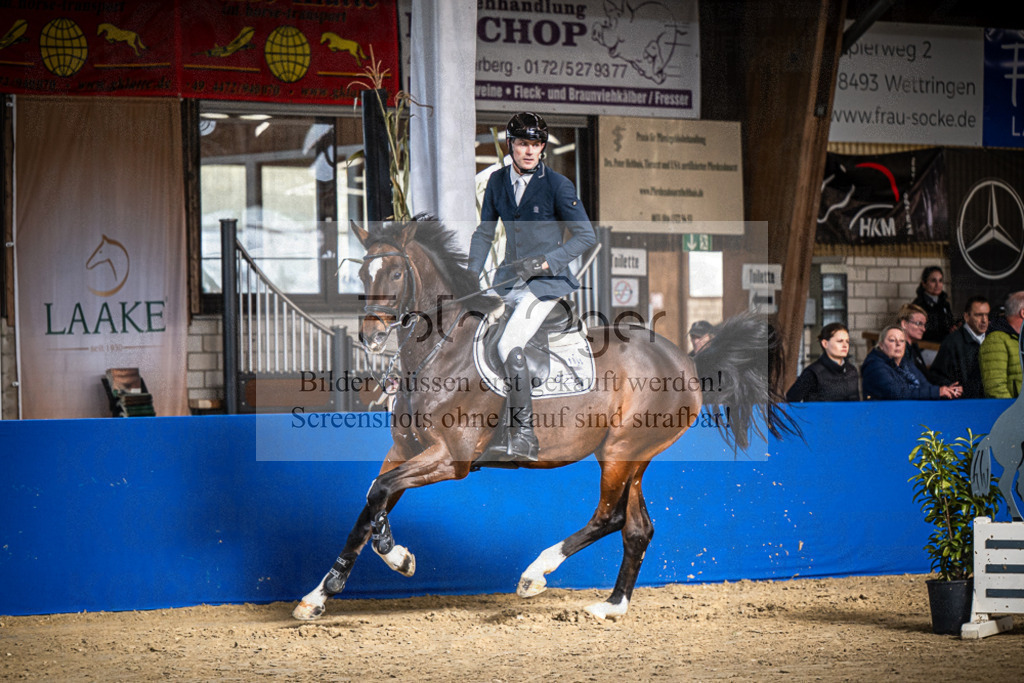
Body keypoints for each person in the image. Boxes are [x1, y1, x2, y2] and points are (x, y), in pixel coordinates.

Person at [467, 112, 596, 463]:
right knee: (474, 335)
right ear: (512, 145)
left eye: (536, 145)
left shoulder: (557, 185)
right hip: (508, 280)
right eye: (523, 143)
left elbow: (586, 236)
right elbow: (484, 233)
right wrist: (469, 275)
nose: (529, 151)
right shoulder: (496, 182)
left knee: (510, 342)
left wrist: (545, 263)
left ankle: (523, 435)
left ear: (542, 148)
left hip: (546, 285)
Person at [861, 325, 962, 400]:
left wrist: (947, 390)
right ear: (881, 345)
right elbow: (897, 393)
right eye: (892, 340)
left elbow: (925, 385)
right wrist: (937, 392)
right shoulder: (874, 366)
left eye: (902, 341)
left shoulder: (905, 362)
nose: (898, 344)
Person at [930, 296, 990, 399]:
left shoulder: (993, 339)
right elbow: (936, 375)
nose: (984, 320)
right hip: (963, 404)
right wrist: (953, 388)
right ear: (966, 317)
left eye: (986, 315)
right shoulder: (952, 342)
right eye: (978, 315)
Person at [785, 322, 859, 402]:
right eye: (840, 341)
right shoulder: (812, 373)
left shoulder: (852, 371)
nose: (845, 345)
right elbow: (790, 402)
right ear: (825, 343)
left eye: (847, 341)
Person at [980, 290, 1024, 399]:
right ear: (1023, 313)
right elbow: (995, 388)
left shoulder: (1018, 338)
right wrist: (1015, 413)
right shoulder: (996, 340)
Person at [912, 266, 955, 343]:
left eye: (940, 281)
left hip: (944, 347)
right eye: (933, 281)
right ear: (924, 283)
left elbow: (950, 324)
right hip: (926, 348)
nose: (937, 285)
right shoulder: (918, 306)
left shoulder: (945, 304)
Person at [896, 303, 931, 378]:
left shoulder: (913, 347)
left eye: (924, 325)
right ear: (904, 324)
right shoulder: (897, 350)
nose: (924, 329)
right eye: (919, 323)